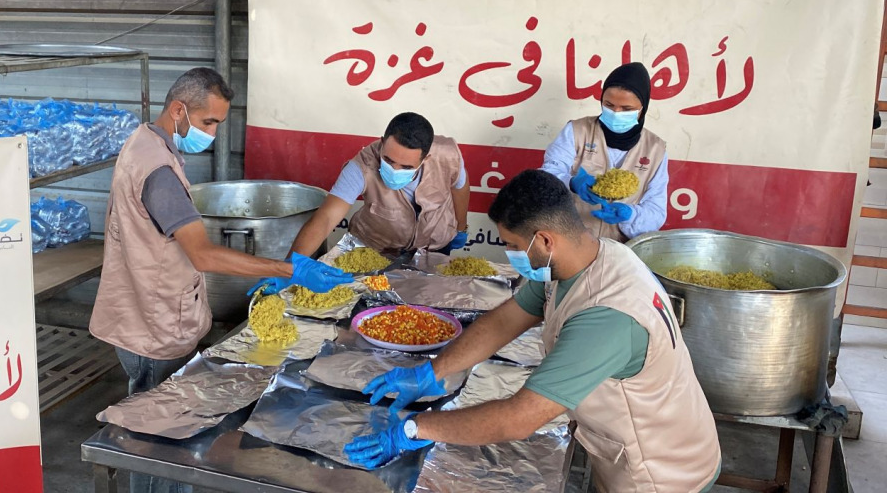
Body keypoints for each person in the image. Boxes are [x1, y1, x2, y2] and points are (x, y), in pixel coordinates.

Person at [345, 170, 721, 493]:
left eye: (512, 246)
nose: (509, 253)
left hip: (661, 473)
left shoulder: (608, 317)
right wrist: (432, 371)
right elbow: (505, 320)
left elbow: (518, 418)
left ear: (544, 240)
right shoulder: (583, 258)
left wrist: (414, 428)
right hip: (624, 446)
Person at [90, 68, 351, 493]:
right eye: (208, 121)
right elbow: (203, 254)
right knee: (156, 440)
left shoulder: (143, 143)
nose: (212, 133)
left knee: (157, 426)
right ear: (178, 110)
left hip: (141, 312)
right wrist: (289, 269)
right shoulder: (159, 172)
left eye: (217, 124)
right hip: (153, 325)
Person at [288, 112, 470, 256]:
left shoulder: (447, 155)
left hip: (433, 246)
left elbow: (459, 185)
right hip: (378, 249)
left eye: (406, 167)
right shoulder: (361, 166)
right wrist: (291, 266)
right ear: (382, 143)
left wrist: (461, 227)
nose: (395, 170)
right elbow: (326, 217)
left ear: (426, 159)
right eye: (388, 160)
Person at [541, 62, 667, 242]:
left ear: (642, 109)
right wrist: (571, 182)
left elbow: (656, 212)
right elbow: (545, 177)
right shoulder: (576, 131)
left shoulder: (655, 149)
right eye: (609, 105)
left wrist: (630, 215)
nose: (616, 112)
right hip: (570, 242)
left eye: (626, 109)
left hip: (621, 250)